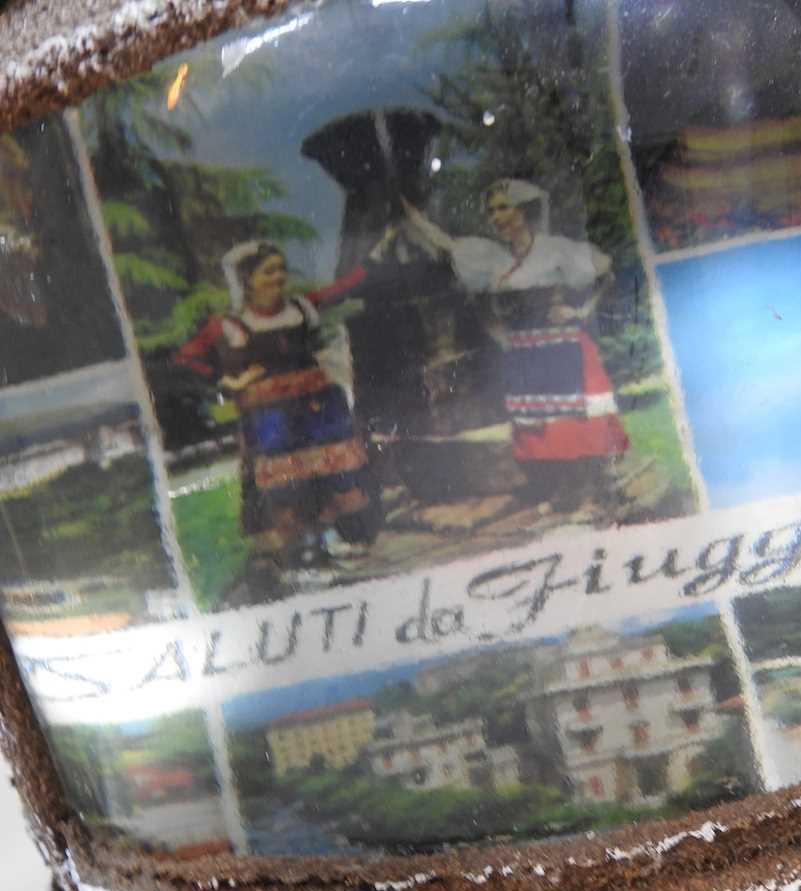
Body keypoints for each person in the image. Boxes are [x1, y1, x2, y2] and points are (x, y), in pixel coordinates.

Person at [175, 236, 393, 597]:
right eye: (268, 271)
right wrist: (230, 380)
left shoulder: (300, 307)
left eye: (281, 269)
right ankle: (303, 554)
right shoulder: (230, 324)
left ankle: (341, 541)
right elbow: (186, 359)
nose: (278, 277)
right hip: (270, 418)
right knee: (285, 486)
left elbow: (342, 287)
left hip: (318, 408)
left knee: (336, 473)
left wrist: (376, 252)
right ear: (247, 279)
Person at [403, 179, 629, 509]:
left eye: (503, 207)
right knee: (538, 423)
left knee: (571, 419)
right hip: (523, 348)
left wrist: (579, 310)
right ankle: (556, 486)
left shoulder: (554, 248)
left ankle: (583, 486)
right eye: (491, 210)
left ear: (523, 210)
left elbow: (607, 272)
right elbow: (447, 245)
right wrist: (411, 215)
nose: (496, 216)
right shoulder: (492, 256)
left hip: (561, 345)